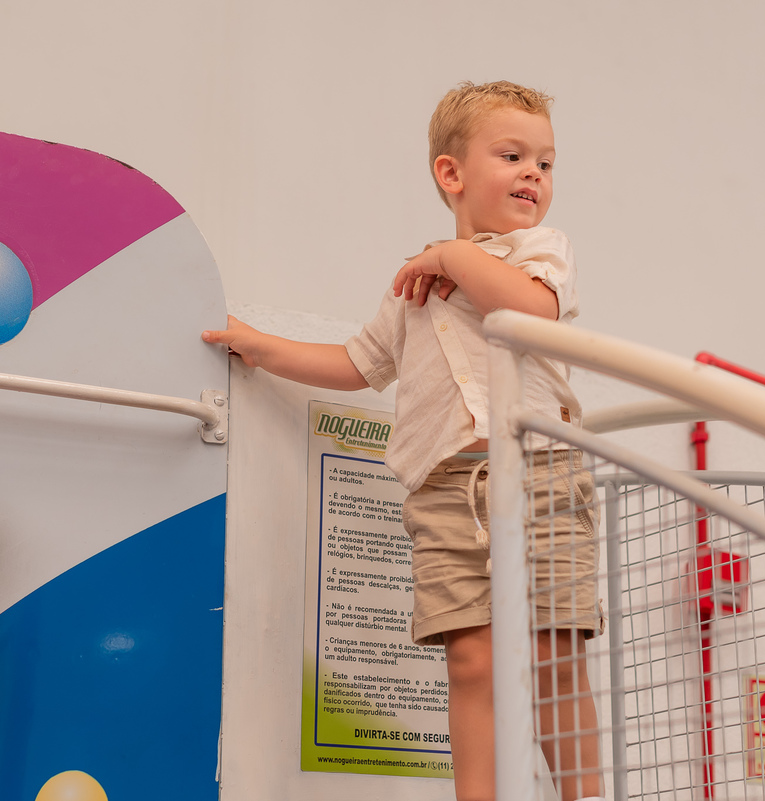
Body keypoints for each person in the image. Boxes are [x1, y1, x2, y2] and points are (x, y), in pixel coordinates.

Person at [203, 80, 603, 801]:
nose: (534, 175)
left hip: (540, 476)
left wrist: (449, 258)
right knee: (471, 662)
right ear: (452, 173)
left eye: (546, 163)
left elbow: (532, 308)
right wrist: (262, 345)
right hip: (446, 494)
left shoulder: (539, 250)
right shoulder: (414, 285)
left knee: (553, 655)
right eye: (513, 156)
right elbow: (359, 364)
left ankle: (586, 795)